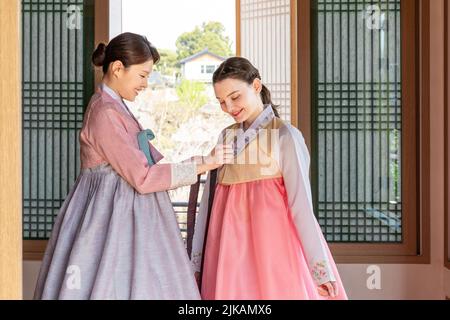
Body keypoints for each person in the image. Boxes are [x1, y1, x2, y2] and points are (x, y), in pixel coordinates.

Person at [34, 32, 233, 299]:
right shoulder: (105, 113)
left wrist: (202, 163)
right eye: (142, 75)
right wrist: (203, 164)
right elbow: (142, 177)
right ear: (118, 68)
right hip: (111, 219)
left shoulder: (114, 107)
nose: (146, 84)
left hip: (119, 215)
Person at [191, 57, 348, 300]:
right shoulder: (226, 136)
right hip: (227, 252)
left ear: (256, 86)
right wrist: (197, 260)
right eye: (221, 102)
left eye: (235, 97)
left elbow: (301, 205)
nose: (229, 108)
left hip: (274, 249)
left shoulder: (285, 135)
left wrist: (319, 269)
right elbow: (208, 203)